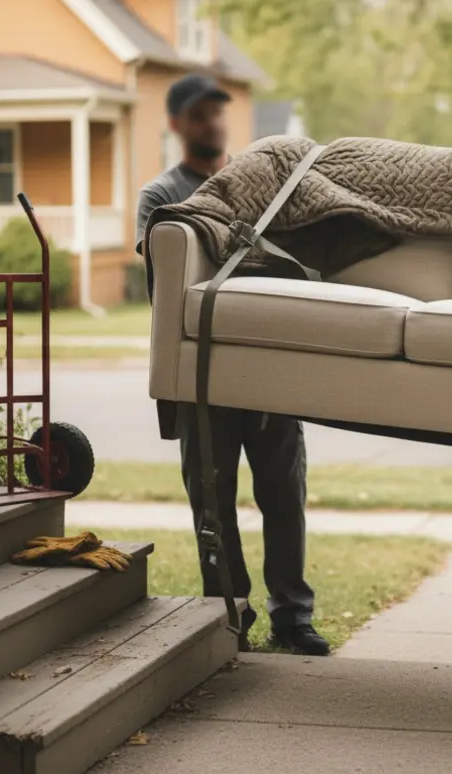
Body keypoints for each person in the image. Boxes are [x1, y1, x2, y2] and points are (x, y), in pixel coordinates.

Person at [135, 73, 329, 657]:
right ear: (176, 124)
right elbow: (166, 286)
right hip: (201, 375)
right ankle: (226, 613)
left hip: (268, 370)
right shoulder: (162, 196)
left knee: (283, 495)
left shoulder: (265, 189)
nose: (212, 122)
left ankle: (292, 619)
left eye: (219, 111)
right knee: (212, 503)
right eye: (198, 114)